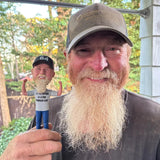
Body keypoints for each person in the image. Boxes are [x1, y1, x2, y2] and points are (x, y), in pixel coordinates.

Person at [1, 3, 160, 160]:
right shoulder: (48, 114)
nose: (99, 66)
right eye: (83, 50)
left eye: (112, 49)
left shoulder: (155, 121)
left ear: (128, 55)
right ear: (67, 58)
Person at [22, 55, 62, 129]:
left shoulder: (49, 92)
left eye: (46, 69)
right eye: (38, 69)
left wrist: (60, 85)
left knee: (46, 122)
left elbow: (59, 94)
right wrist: (24, 83)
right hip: (38, 110)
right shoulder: (35, 91)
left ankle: (45, 130)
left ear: (53, 74)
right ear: (32, 72)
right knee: (38, 122)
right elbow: (25, 93)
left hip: (46, 110)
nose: (42, 72)